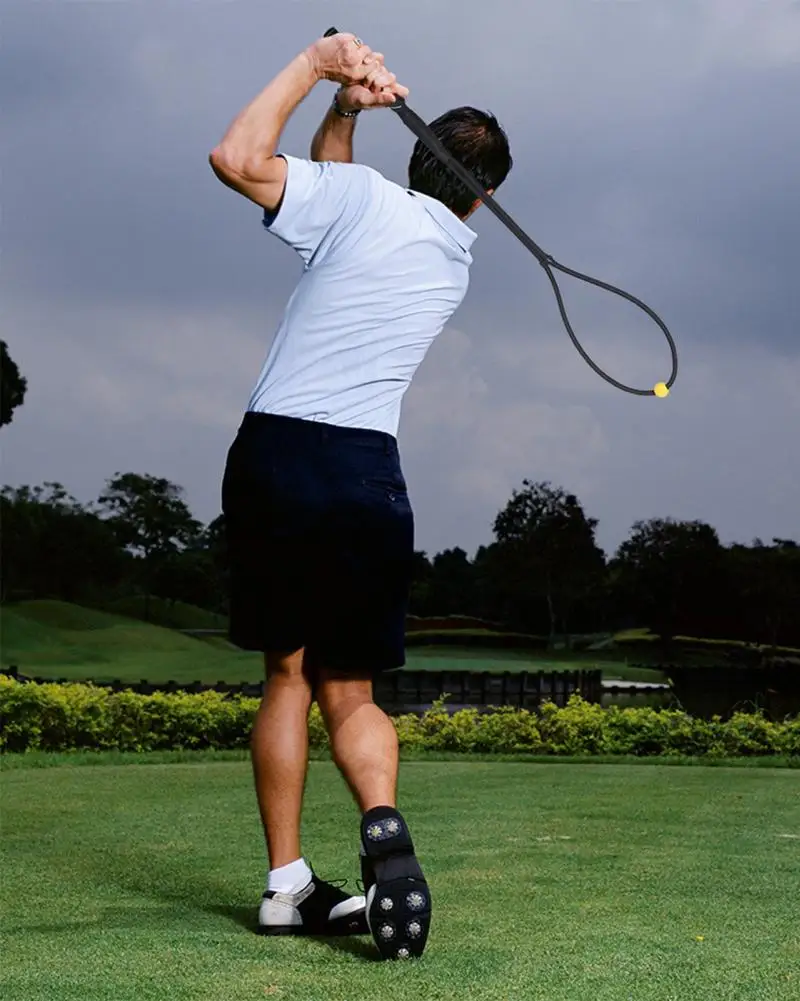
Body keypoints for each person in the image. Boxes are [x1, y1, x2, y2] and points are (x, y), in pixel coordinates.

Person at [208, 31, 513, 961]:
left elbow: (237, 158)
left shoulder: (356, 202)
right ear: (485, 196)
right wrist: (347, 115)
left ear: (413, 155)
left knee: (287, 675)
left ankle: (284, 883)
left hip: (279, 456)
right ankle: (381, 820)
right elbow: (338, 195)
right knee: (352, 686)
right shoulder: (454, 251)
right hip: (369, 476)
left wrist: (318, 66)